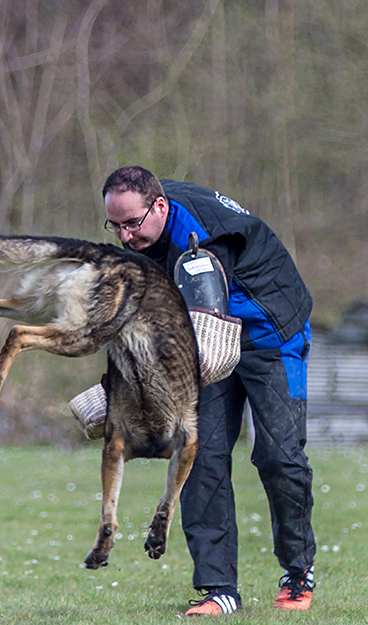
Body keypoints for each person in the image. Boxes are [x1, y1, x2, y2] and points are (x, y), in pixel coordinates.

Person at [100, 166, 316, 616]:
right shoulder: (144, 221)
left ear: (159, 207)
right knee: (197, 453)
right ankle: (220, 589)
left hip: (270, 333)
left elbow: (194, 329)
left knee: (280, 457)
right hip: (207, 337)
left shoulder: (201, 242)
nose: (125, 235)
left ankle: (298, 573)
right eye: (115, 225)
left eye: (132, 224)